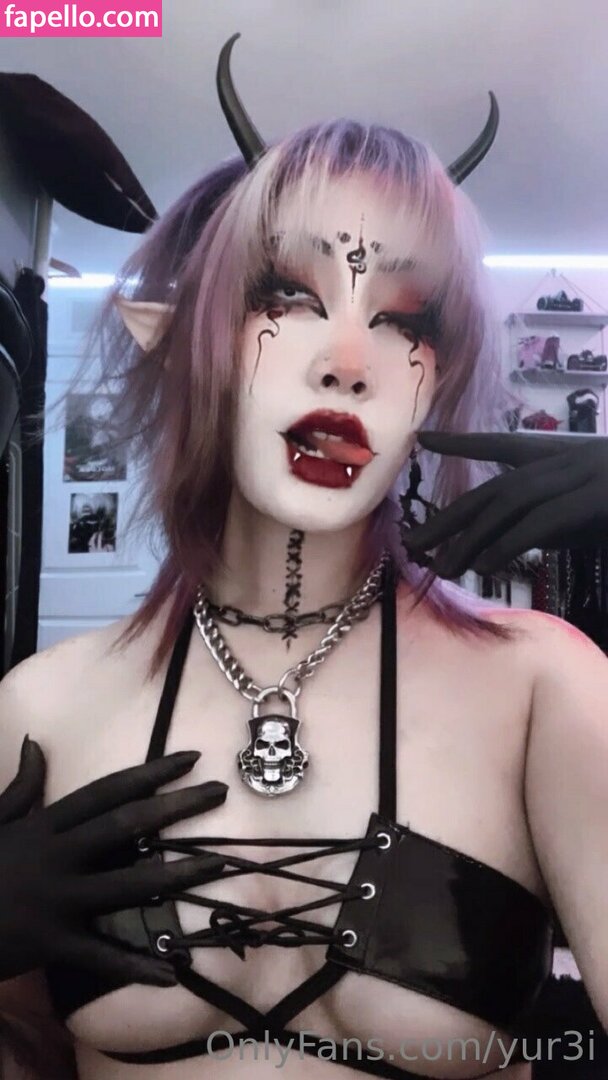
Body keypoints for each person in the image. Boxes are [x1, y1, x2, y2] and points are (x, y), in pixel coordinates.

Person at [0, 32, 606, 1080]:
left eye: (404, 320)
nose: (348, 362)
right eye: (284, 295)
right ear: (179, 336)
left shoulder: (544, 687)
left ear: (440, 375)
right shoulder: (38, 708)